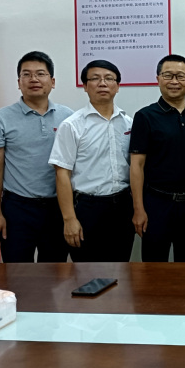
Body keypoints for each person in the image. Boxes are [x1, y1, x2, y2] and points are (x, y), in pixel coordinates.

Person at [0, 51, 73, 262]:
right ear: (19, 82)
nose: (34, 79)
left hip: (58, 207)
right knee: (16, 272)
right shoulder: (0, 118)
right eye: (27, 74)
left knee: (54, 273)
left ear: (52, 82)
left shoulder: (69, 117)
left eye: (40, 74)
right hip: (17, 209)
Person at [129, 55, 185, 262]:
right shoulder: (145, 116)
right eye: (168, 75)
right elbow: (136, 165)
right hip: (156, 204)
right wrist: (138, 209)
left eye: (180, 76)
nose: (174, 81)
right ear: (158, 79)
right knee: (154, 266)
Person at [49, 60, 135, 262]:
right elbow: (62, 173)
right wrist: (69, 219)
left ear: (117, 86)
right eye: (95, 78)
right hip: (87, 208)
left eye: (109, 78)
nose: (102, 83)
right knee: (86, 271)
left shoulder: (129, 123)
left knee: (121, 268)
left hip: (123, 206)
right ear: (85, 86)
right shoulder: (72, 125)